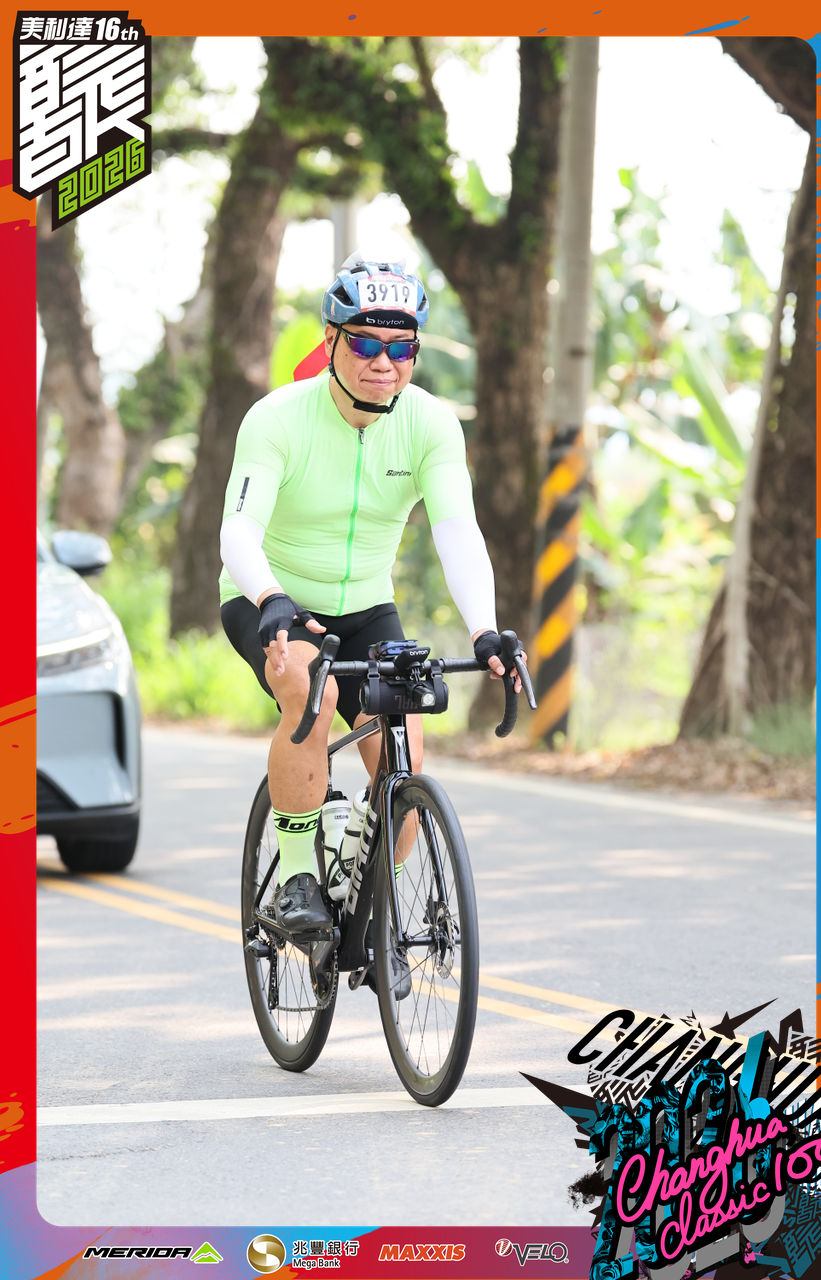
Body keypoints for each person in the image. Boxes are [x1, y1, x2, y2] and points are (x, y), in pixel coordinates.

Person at [219, 254, 522, 942]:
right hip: (270, 598)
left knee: (404, 758)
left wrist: (484, 630)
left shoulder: (431, 424)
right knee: (311, 692)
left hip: (365, 606)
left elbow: (457, 531)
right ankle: (298, 876)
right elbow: (237, 530)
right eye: (363, 344)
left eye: (400, 347)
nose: (383, 362)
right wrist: (270, 596)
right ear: (330, 341)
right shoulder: (276, 418)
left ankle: (361, 882)